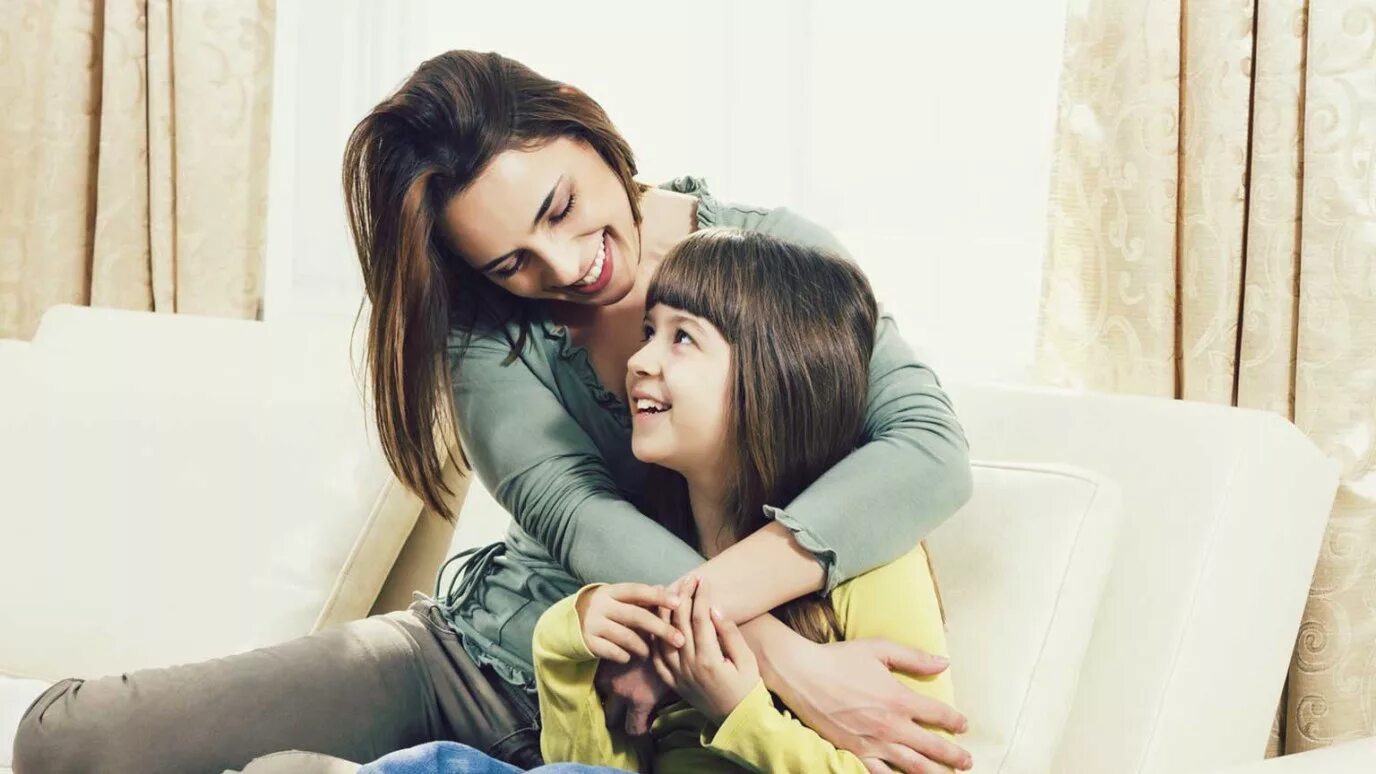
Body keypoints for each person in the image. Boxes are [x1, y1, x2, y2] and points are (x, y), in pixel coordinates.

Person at [12, 51, 972, 774]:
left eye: (560, 207)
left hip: (638, 717)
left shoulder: (772, 260)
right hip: (480, 662)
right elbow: (579, 520)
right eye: (512, 260)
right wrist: (779, 664)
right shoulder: (485, 328)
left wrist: (733, 665)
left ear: (590, 134)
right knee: (71, 743)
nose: (565, 269)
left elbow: (928, 449)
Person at [360, 229, 954, 773]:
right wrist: (568, 642)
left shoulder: (872, 563)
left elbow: (923, 764)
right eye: (649, 332)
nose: (639, 361)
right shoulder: (656, 546)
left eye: (682, 338)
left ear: (773, 375)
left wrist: (737, 710)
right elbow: (594, 767)